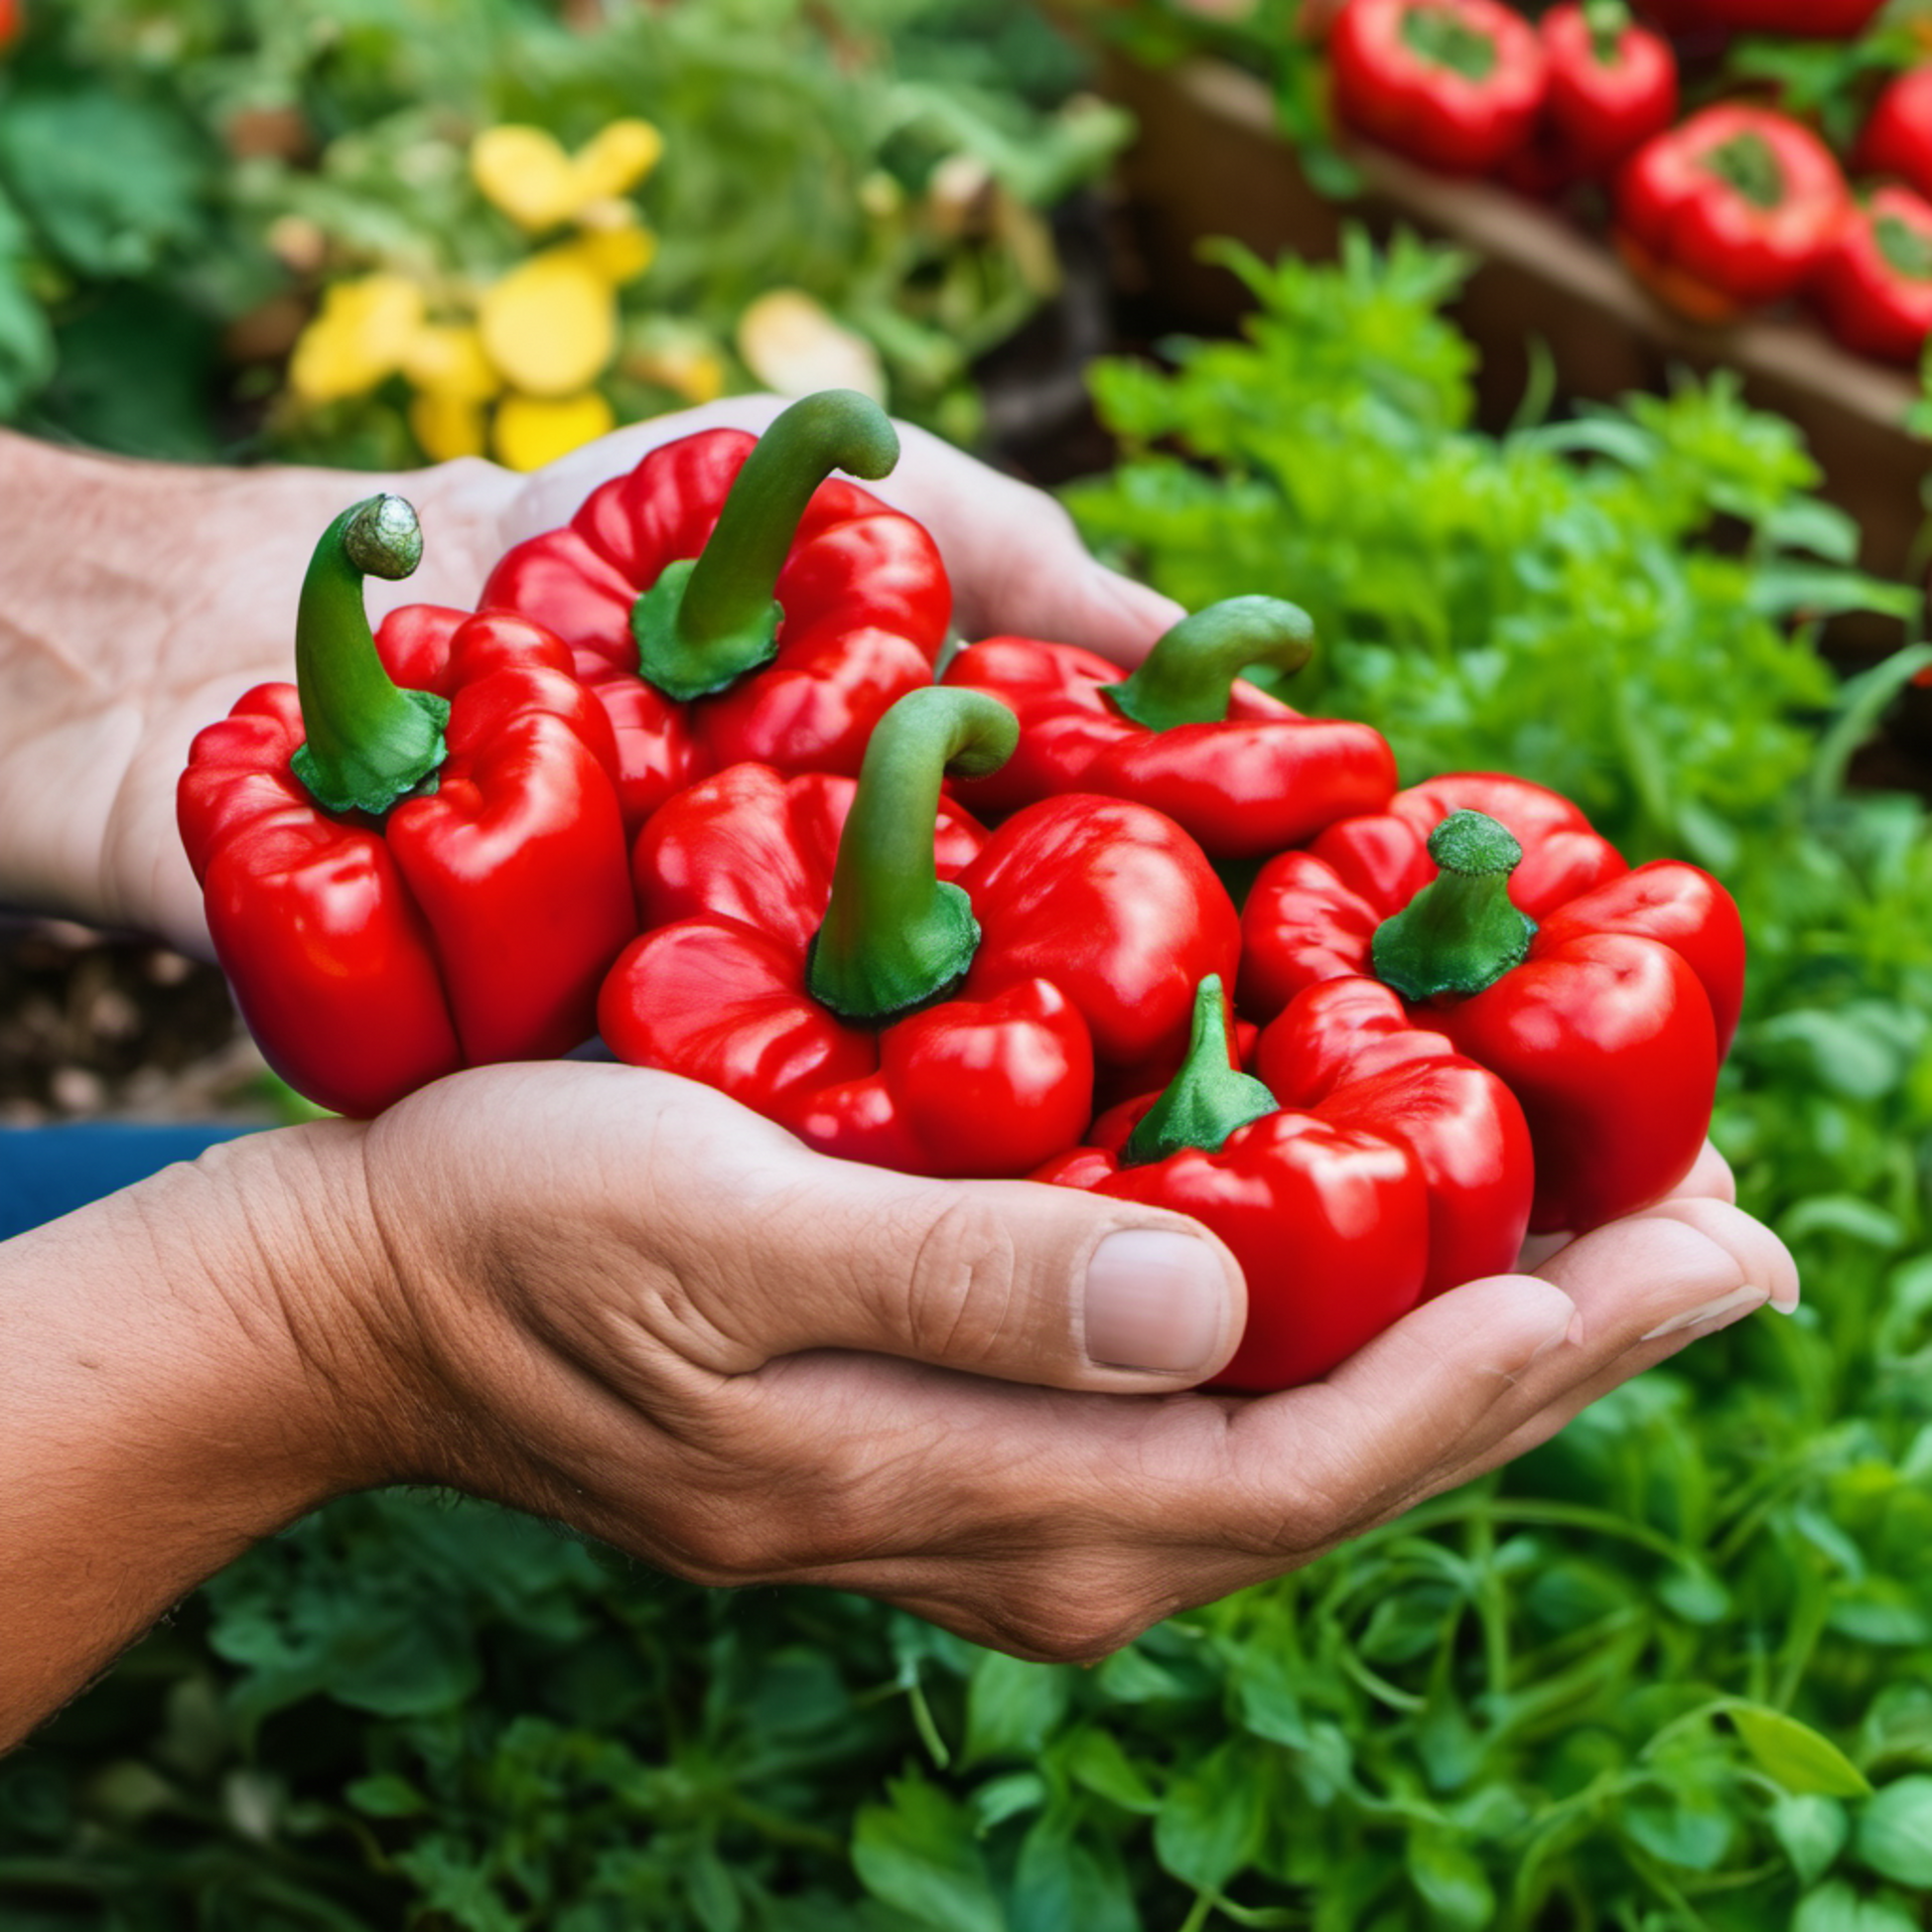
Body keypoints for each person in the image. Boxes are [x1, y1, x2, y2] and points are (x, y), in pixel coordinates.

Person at [0, 401, 1799, 1754]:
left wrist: (105, 601)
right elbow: (334, 1259)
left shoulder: (712, 800)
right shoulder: (724, 895)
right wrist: (340, 1317)